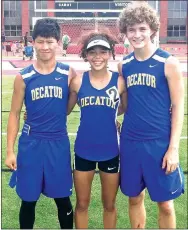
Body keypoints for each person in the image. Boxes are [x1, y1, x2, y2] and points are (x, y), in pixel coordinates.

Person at [118, 2, 184, 229]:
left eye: (142, 29)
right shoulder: (123, 64)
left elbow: (178, 106)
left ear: (152, 30)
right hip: (130, 142)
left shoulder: (168, 63)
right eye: (132, 29)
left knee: (165, 204)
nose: (137, 35)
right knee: (134, 197)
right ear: (125, 32)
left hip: (159, 143)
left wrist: (173, 148)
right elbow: (120, 104)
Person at [5, 18, 76, 229]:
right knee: (28, 200)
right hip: (31, 143)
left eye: (50, 41)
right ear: (33, 42)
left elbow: (75, 102)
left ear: (58, 43)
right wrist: (9, 150)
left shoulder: (68, 73)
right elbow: (15, 114)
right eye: (40, 41)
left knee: (63, 199)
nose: (45, 46)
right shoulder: (24, 77)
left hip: (58, 142)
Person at [67, 30, 127, 229]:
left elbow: (127, 107)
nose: (98, 56)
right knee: (82, 204)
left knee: (109, 205)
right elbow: (64, 110)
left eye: (103, 51)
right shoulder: (77, 81)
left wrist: (109, 115)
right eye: (93, 52)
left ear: (110, 53)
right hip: (83, 151)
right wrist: (31, 113)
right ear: (85, 54)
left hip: (110, 151)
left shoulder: (119, 81)